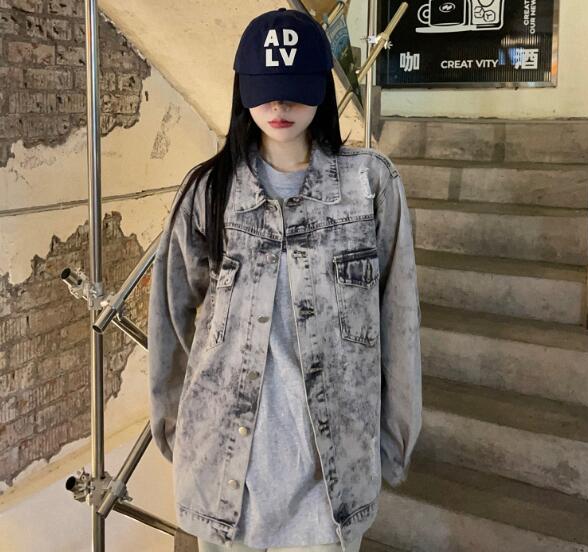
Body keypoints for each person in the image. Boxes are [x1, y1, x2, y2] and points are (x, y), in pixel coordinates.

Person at [147, 7, 422, 552]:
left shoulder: (369, 186)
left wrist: (392, 442)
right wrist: (178, 430)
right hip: (225, 474)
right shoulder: (209, 191)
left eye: (294, 89)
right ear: (243, 89)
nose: (279, 106)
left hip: (330, 484)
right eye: (266, 89)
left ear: (320, 86)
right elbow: (171, 318)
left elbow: (400, 323)